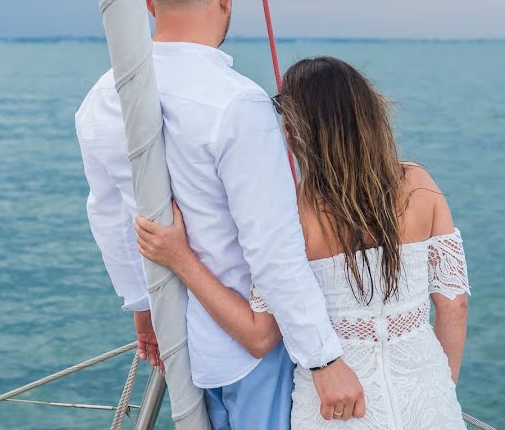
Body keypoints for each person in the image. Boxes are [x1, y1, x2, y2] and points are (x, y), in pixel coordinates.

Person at [75, 0, 365, 429]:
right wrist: (324, 359)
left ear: (149, 0)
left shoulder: (100, 101)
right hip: (250, 352)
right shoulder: (239, 104)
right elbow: (273, 252)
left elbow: (107, 215)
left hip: (178, 341)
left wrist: (143, 307)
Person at [136, 56, 471, 429]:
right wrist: (440, 388)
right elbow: (453, 307)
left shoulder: (293, 214)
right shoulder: (420, 185)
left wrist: (180, 257)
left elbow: (258, 337)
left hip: (337, 411)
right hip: (430, 403)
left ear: (296, 135)